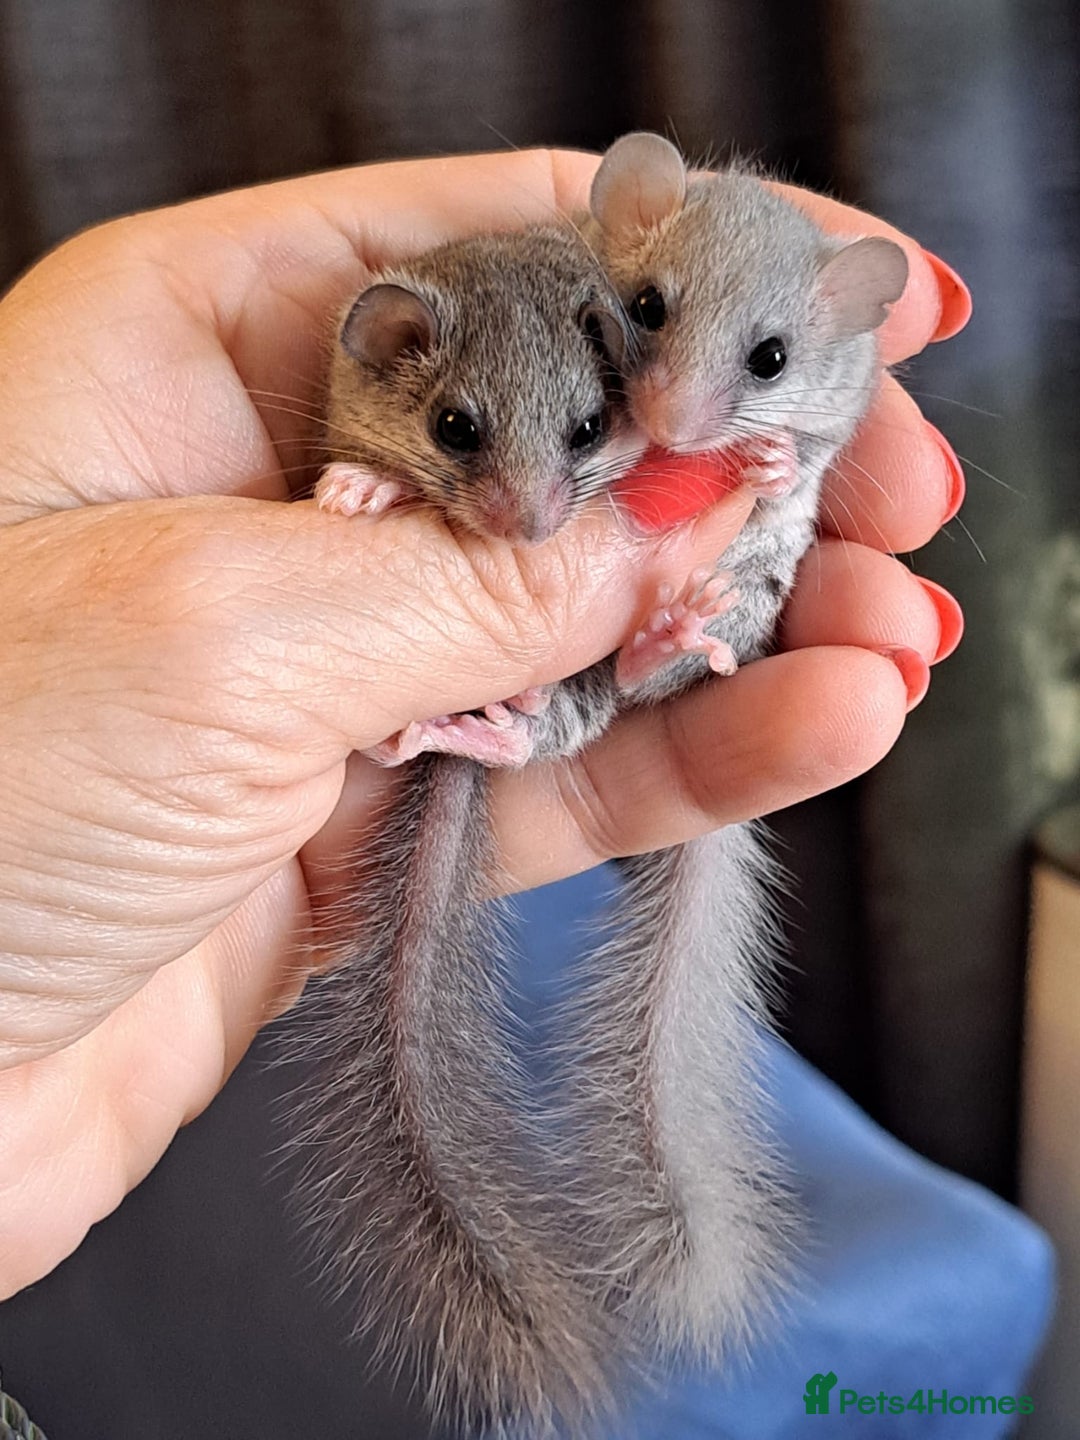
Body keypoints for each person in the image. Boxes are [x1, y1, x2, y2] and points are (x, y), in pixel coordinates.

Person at [0, 148, 964, 1312]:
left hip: (676, 640)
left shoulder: (701, 348)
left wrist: (757, 465)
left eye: (582, 435)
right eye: (463, 435)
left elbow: (770, 415)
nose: (531, 518)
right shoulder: (510, 324)